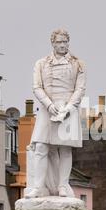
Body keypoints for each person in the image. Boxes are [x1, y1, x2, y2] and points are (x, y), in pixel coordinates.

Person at [25, 29, 86, 199]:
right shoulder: (41, 63)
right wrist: (49, 104)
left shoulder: (78, 64)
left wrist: (67, 108)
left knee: (65, 149)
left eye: (65, 42)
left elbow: (80, 89)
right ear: (52, 43)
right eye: (59, 42)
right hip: (47, 108)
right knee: (41, 147)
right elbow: (37, 87)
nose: (62, 45)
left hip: (68, 108)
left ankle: (63, 185)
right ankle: (38, 187)